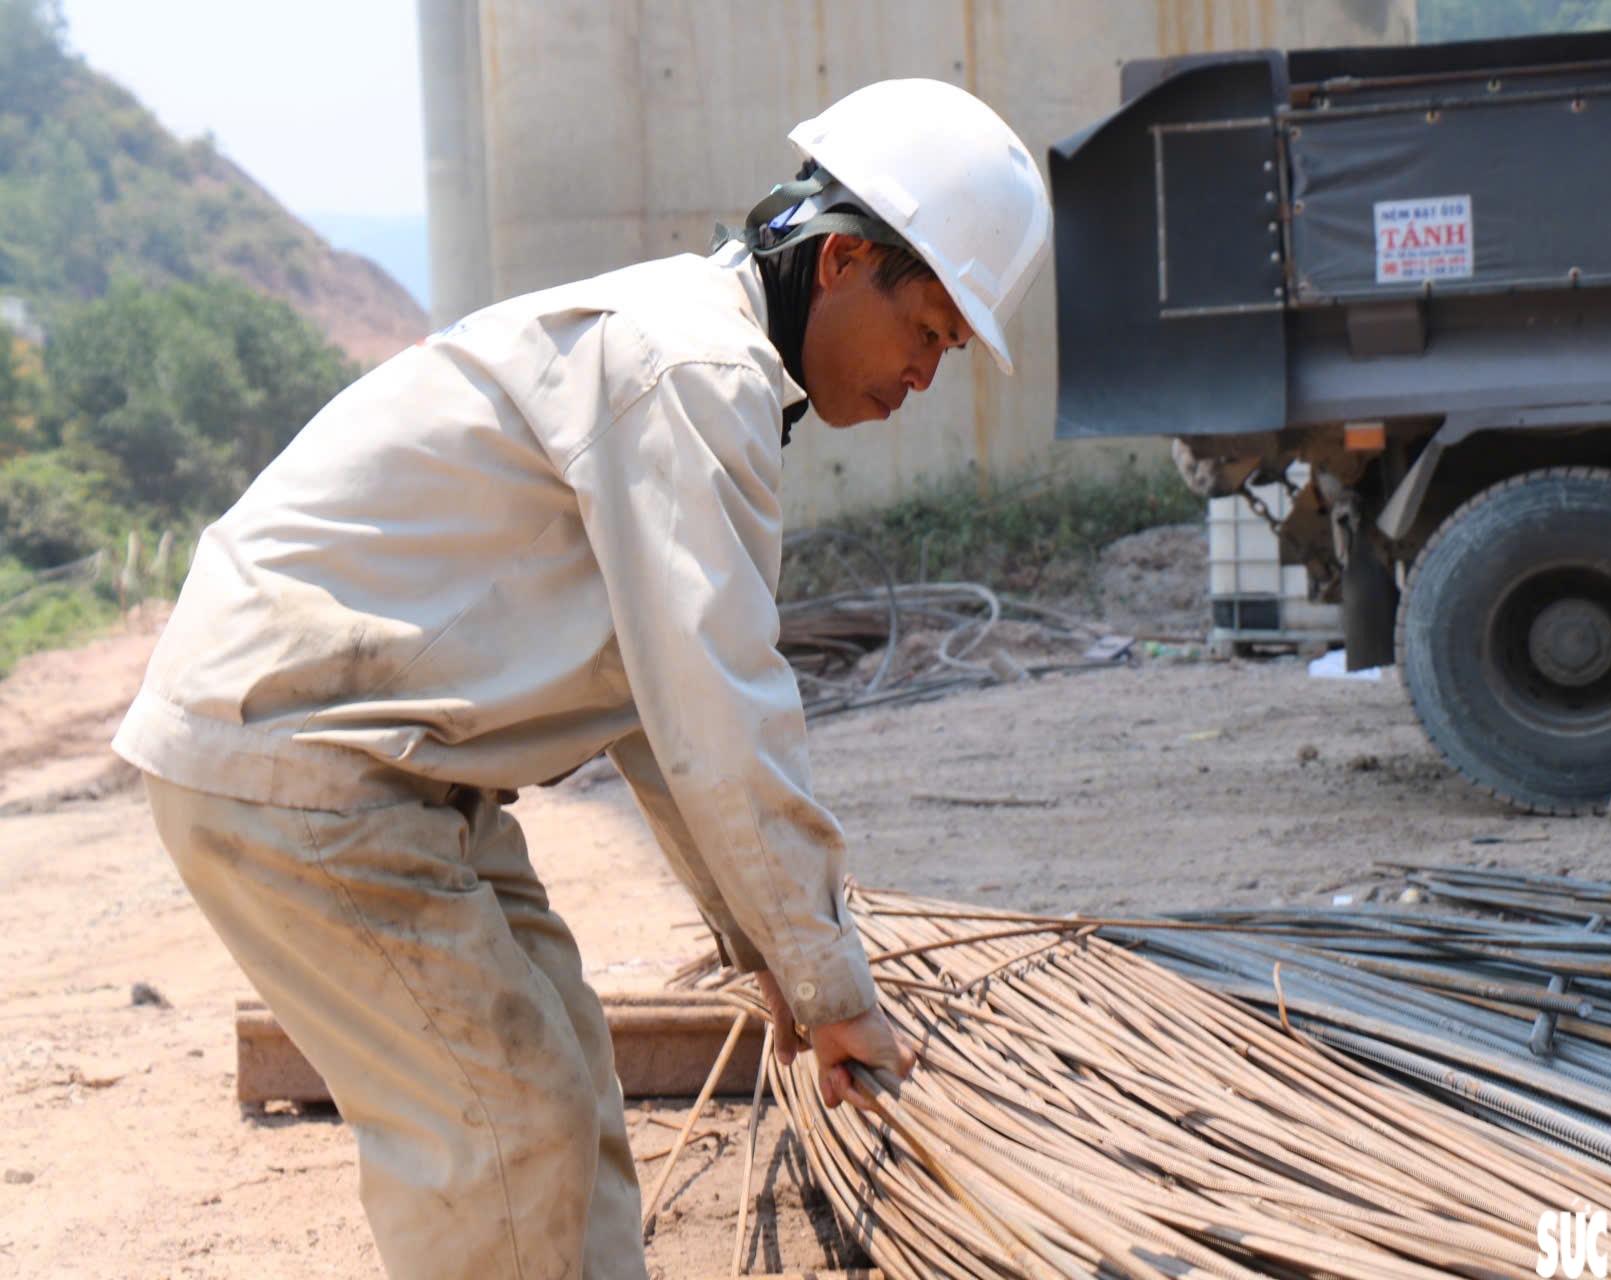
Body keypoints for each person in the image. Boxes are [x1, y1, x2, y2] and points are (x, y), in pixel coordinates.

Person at [111, 78, 1052, 1279]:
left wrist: (782, 958)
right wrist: (826, 979)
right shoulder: (692, 371)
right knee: (504, 1128)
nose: (928, 372)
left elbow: (661, 723)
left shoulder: (698, 368)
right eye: (928, 330)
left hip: (383, 767)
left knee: (561, 1069)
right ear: (843, 262)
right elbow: (718, 711)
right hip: (302, 757)